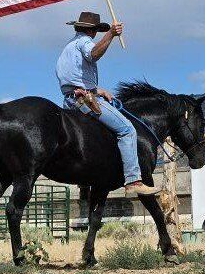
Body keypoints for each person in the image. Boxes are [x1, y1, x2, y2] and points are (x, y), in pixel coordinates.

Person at [56, 10, 155, 198]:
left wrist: (97, 90)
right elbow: (94, 54)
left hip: (69, 99)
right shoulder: (85, 42)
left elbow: (73, 79)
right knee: (127, 130)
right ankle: (133, 180)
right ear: (93, 31)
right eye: (97, 32)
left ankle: (84, 182)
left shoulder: (68, 46)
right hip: (84, 100)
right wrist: (111, 34)